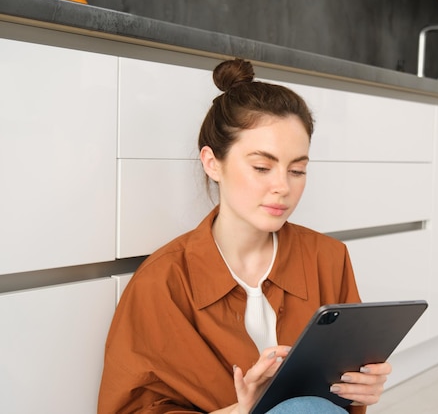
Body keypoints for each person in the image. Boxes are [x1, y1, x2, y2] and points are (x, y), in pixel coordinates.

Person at [98, 58, 391, 414]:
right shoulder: (162, 283)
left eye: (297, 170)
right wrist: (242, 411)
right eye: (262, 167)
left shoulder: (328, 258)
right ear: (212, 163)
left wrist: (363, 383)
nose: (282, 186)